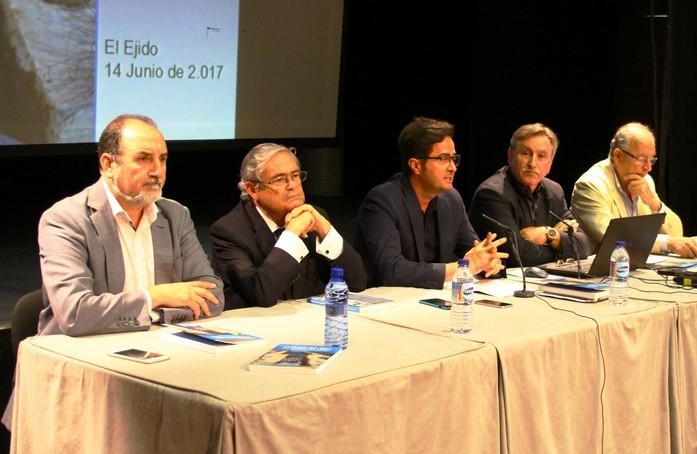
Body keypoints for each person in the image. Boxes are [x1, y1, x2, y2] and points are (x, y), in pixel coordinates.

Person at [36, 114, 224, 336]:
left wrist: (154, 316)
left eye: (162, 159)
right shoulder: (66, 219)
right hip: (80, 355)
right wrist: (155, 297)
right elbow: (76, 314)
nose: (157, 171)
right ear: (108, 164)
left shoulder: (175, 215)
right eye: (143, 158)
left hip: (157, 347)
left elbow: (213, 296)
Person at [354, 117, 508, 287]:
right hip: (387, 303)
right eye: (443, 159)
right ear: (416, 165)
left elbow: (473, 252)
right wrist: (460, 268)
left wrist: (488, 262)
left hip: (434, 299)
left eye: (453, 158)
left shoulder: (451, 199)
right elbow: (392, 271)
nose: (453, 168)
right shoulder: (382, 201)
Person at [210, 143, 366, 309]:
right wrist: (291, 235)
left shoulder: (313, 217)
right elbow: (261, 295)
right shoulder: (230, 232)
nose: (292, 185)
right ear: (252, 189)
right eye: (279, 179)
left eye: (296, 176)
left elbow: (356, 283)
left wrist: (326, 230)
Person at [571, 122, 697, 258]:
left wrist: (654, 203)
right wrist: (666, 243)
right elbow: (613, 237)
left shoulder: (645, 181)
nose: (648, 168)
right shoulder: (590, 185)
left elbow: (676, 234)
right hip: (601, 273)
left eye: (651, 160)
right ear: (618, 155)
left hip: (637, 268)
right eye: (642, 159)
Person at [469, 123, 590, 266]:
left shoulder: (554, 191)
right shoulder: (492, 194)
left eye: (541, 156)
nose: (533, 163)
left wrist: (549, 234)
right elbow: (519, 256)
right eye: (526, 153)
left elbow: (583, 245)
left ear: (550, 163)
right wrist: (561, 247)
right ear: (510, 155)